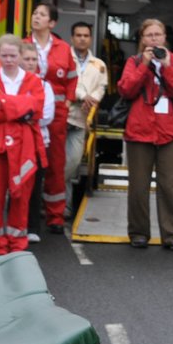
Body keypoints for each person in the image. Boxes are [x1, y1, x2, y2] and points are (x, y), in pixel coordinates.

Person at [118, 18, 173, 250]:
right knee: (138, 186)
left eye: (158, 34)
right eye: (149, 35)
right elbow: (126, 89)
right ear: (142, 39)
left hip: (167, 132)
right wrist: (144, 65)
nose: (154, 39)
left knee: (170, 185)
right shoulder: (134, 61)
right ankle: (138, 233)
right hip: (139, 132)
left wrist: (166, 65)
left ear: (165, 37)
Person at [0, 35, 44, 255]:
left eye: (13, 55)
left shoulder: (34, 81)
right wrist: (19, 108)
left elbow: (37, 111)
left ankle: (17, 245)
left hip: (24, 150)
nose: (9, 60)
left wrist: (2, 104)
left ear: (21, 56)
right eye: (4, 55)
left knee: (21, 198)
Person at [28, 2, 76, 233]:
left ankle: (55, 216)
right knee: (29, 163)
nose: (36, 17)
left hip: (56, 115)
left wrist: (67, 101)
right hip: (28, 112)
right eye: (35, 13)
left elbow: (72, 78)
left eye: (42, 14)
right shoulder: (24, 45)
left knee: (56, 164)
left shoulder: (63, 48)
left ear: (52, 23)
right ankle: (27, 215)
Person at [64, 21, 108, 219]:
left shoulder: (99, 65)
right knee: (55, 163)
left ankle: (54, 202)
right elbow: (66, 83)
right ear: (72, 38)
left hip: (81, 120)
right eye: (78, 35)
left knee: (72, 163)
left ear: (90, 38)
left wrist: (92, 100)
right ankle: (62, 209)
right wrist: (83, 96)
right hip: (61, 117)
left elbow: (101, 88)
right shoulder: (63, 59)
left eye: (86, 35)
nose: (82, 38)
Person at [17, 42, 55, 243]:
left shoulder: (45, 86)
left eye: (34, 60)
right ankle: (14, 225)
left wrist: (17, 112)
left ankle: (32, 227)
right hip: (14, 143)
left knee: (34, 186)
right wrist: (26, 111)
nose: (31, 63)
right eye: (27, 59)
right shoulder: (11, 83)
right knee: (15, 186)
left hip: (39, 143)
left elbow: (46, 115)